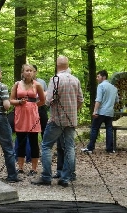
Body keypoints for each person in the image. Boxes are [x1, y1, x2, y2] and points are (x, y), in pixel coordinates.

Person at [31, 56, 84, 187]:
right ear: (67, 65)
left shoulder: (55, 79)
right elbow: (80, 100)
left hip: (56, 120)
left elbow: (48, 101)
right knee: (69, 148)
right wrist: (72, 111)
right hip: (71, 120)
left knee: (46, 146)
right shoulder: (75, 80)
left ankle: (46, 177)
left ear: (57, 65)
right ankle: (65, 178)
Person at [10, 64, 45, 176]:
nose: (29, 72)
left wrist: (33, 106)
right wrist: (19, 102)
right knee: (21, 141)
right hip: (20, 114)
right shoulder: (17, 84)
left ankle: (34, 168)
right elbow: (11, 100)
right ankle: (20, 167)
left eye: (31, 70)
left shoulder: (37, 85)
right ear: (22, 72)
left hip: (32, 116)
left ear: (34, 72)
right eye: (27, 70)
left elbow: (43, 101)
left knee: (34, 141)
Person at [81, 70, 119, 154]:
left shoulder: (101, 86)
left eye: (98, 76)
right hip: (110, 112)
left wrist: (95, 111)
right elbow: (117, 100)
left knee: (94, 129)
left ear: (104, 77)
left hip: (101, 112)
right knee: (109, 129)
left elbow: (98, 100)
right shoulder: (114, 87)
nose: (97, 78)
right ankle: (109, 149)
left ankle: (90, 148)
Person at [32, 65, 48, 138]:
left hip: (41, 107)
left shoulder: (42, 82)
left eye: (33, 71)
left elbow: (47, 93)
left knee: (44, 128)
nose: (32, 73)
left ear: (36, 72)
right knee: (32, 129)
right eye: (29, 71)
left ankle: (44, 146)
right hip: (31, 109)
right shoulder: (23, 83)